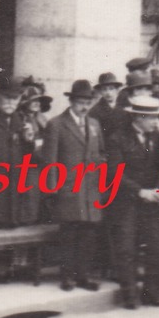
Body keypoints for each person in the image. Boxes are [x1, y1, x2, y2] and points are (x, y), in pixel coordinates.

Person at [40, 80, 109, 291]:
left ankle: (83, 275)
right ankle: (67, 276)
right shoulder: (57, 124)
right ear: (71, 101)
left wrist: (100, 173)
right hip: (69, 189)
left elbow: (102, 154)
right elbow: (49, 160)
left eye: (88, 102)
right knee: (69, 234)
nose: (84, 107)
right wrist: (52, 189)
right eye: (80, 102)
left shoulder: (95, 124)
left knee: (88, 234)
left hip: (90, 190)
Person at [106, 94, 159, 309]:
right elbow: (115, 173)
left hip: (152, 200)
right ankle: (130, 296)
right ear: (139, 117)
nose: (155, 122)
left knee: (156, 248)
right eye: (152, 118)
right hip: (127, 203)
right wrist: (140, 191)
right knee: (127, 249)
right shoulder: (118, 139)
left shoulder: (156, 138)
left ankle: (153, 293)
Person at [0, 80, 38, 229]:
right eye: (7, 98)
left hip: (12, 189)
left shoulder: (20, 119)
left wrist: (29, 140)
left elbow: (26, 157)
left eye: (15, 99)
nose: (11, 102)